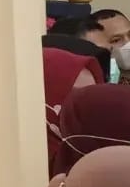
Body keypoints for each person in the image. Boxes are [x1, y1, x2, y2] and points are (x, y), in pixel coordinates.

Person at [42, 46, 102, 174]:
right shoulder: (17, 158)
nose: (89, 107)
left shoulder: (98, 159)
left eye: (93, 96)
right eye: (76, 96)